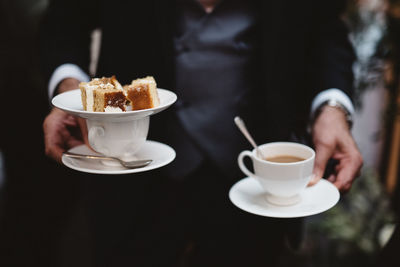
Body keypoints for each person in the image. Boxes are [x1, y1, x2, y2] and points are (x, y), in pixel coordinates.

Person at [40, 0, 363, 266]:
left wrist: (332, 106)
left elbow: (326, 33)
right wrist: (70, 90)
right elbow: (64, 21)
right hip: (131, 170)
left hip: (255, 181)